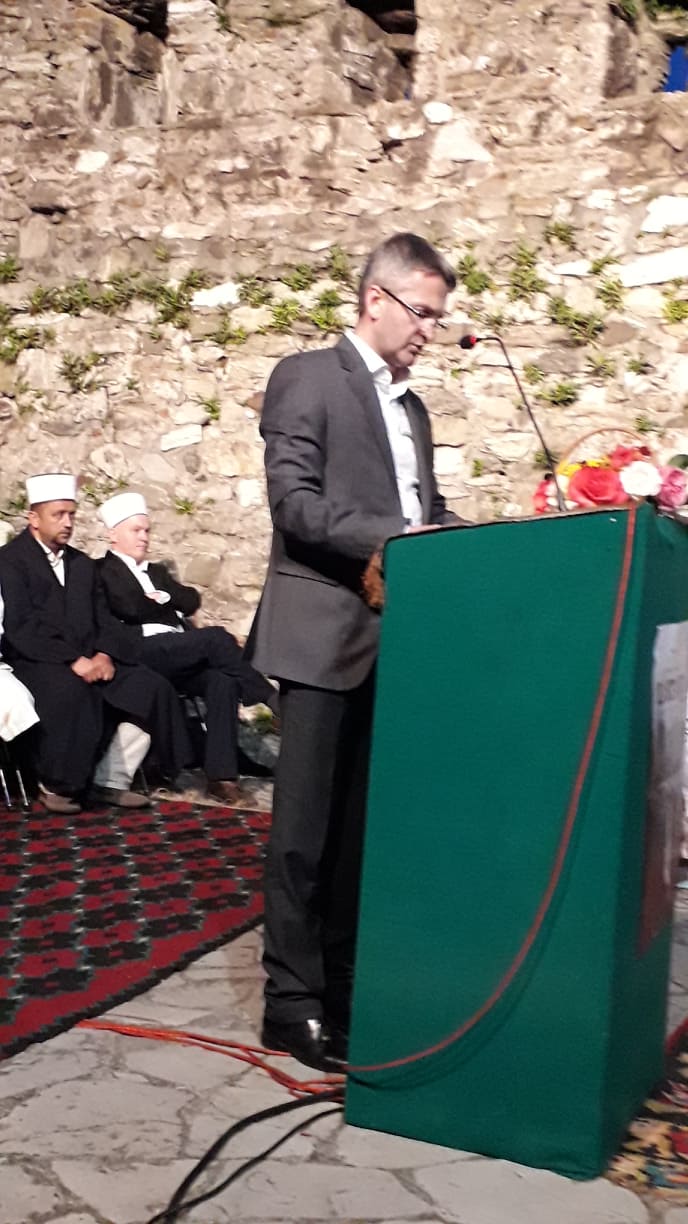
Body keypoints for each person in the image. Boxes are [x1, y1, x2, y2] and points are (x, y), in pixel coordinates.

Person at [247, 232, 463, 1070]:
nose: (430, 332)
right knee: (304, 834)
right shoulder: (308, 377)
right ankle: (290, 1003)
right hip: (319, 635)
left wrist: (481, 537)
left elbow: (425, 513)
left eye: (437, 319)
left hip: (390, 642)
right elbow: (295, 506)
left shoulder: (414, 410)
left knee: (356, 837)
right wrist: (402, 539)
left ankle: (341, 988)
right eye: (423, 314)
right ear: (377, 299)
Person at [0, 473, 192, 813]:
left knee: (151, 688)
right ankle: (56, 783)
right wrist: (74, 661)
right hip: (37, 660)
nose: (68, 522)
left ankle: (111, 778)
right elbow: (21, 626)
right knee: (71, 693)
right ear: (34, 518)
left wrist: (104, 654)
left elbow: (104, 619)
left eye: (72, 514)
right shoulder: (10, 561)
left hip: (91, 657)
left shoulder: (82, 564)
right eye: (58, 515)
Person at [96, 491, 279, 804]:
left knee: (221, 680)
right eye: (135, 530)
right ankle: (271, 700)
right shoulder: (102, 571)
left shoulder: (156, 572)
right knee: (216, 638)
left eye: (147, 530)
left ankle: (222, 778)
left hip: (176, 647)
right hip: (142, 648)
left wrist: (164, 597)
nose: (143, 537)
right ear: (114, 535)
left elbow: (191, 599)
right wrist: (163, 601)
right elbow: (128, 607)